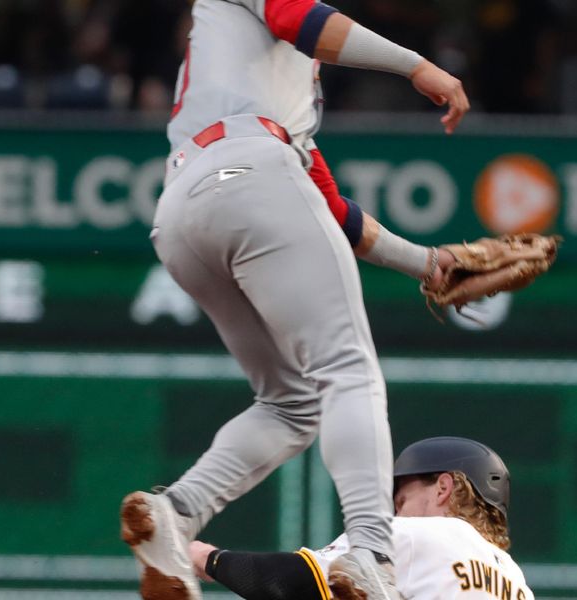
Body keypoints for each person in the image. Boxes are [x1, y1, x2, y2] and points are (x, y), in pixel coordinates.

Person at [120, 1, 469, 599]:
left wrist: (426, 262)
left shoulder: (268, 80)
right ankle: (369, 551)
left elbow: (328, 209)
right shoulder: (280, 37)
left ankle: (175, 514)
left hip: (184, 210)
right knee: (347, 369)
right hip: (253, 173)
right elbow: (300, 19)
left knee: (292, 401)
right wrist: (417, 66)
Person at [188, 437, 535, 600]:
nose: (396, 512)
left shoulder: (414, 534)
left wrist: (207, 559)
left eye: (402, 500)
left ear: (443, 487)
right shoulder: (518, 583)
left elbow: (296, 581)